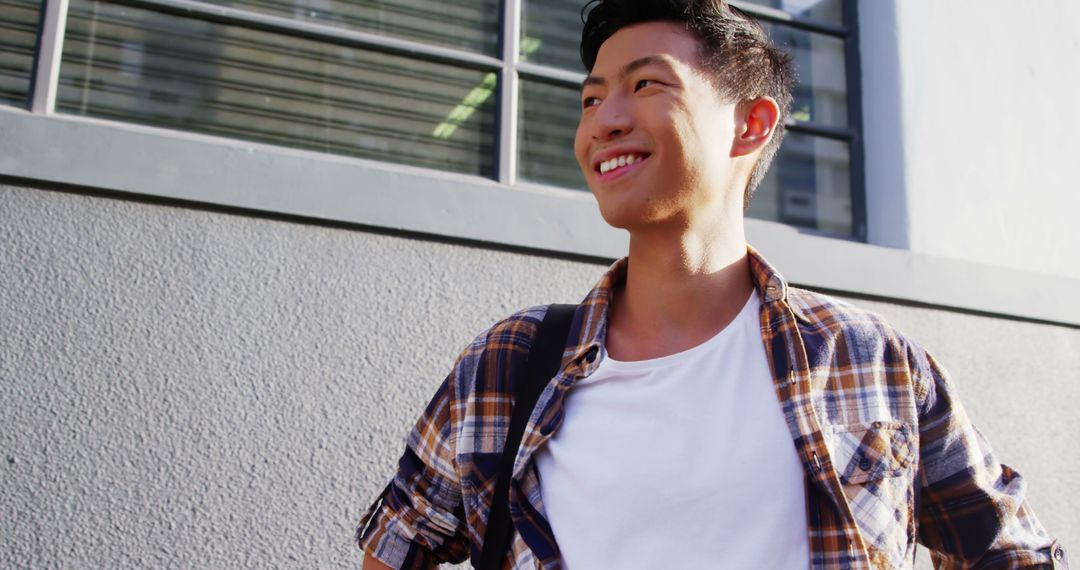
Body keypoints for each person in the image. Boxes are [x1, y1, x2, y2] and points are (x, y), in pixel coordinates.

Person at [356, 1, 1068, 568]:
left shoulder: (870, 361)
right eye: (590, 99)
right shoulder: (509, 365)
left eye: (645, 84)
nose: (603, 122)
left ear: (750, 124)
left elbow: (1016, 552)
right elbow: (395, 546)